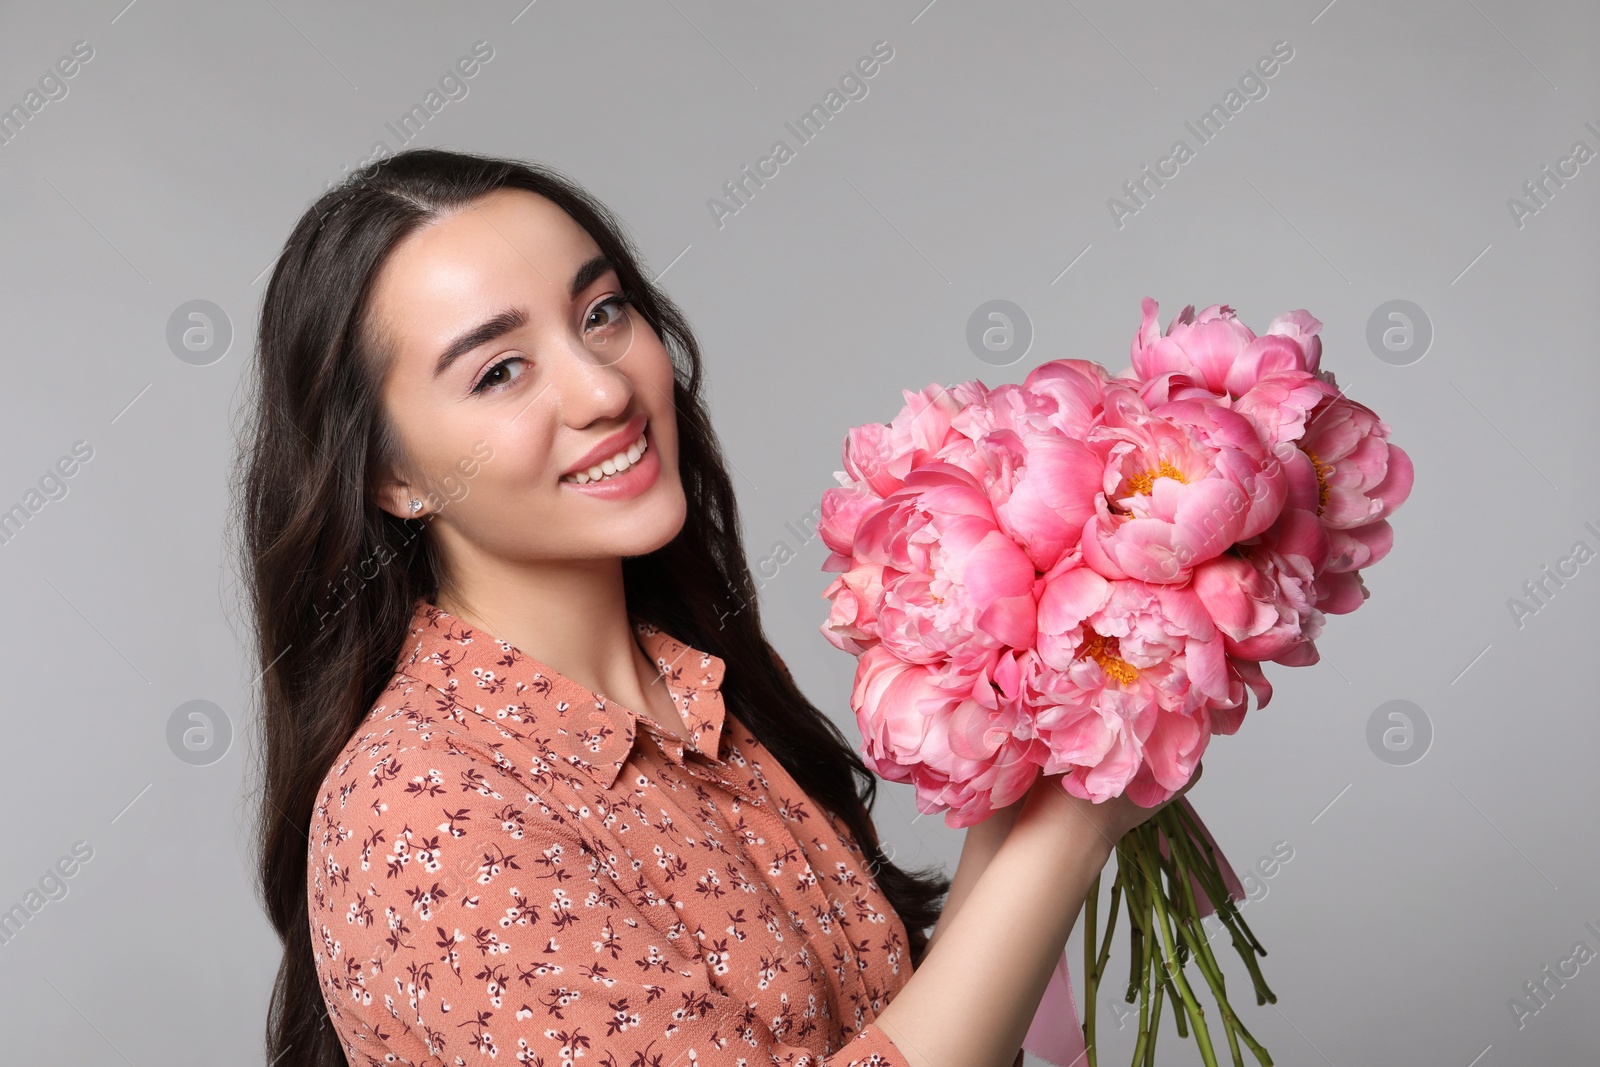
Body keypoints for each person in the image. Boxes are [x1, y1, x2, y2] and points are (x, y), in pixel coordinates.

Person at [233, 148, 1200, 1067]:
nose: (604, 388)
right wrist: (1077, 822)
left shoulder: (704, 690)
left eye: (602, 312)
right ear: (393, 477)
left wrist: (1061, 736)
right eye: (500, 371)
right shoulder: (423, 815)